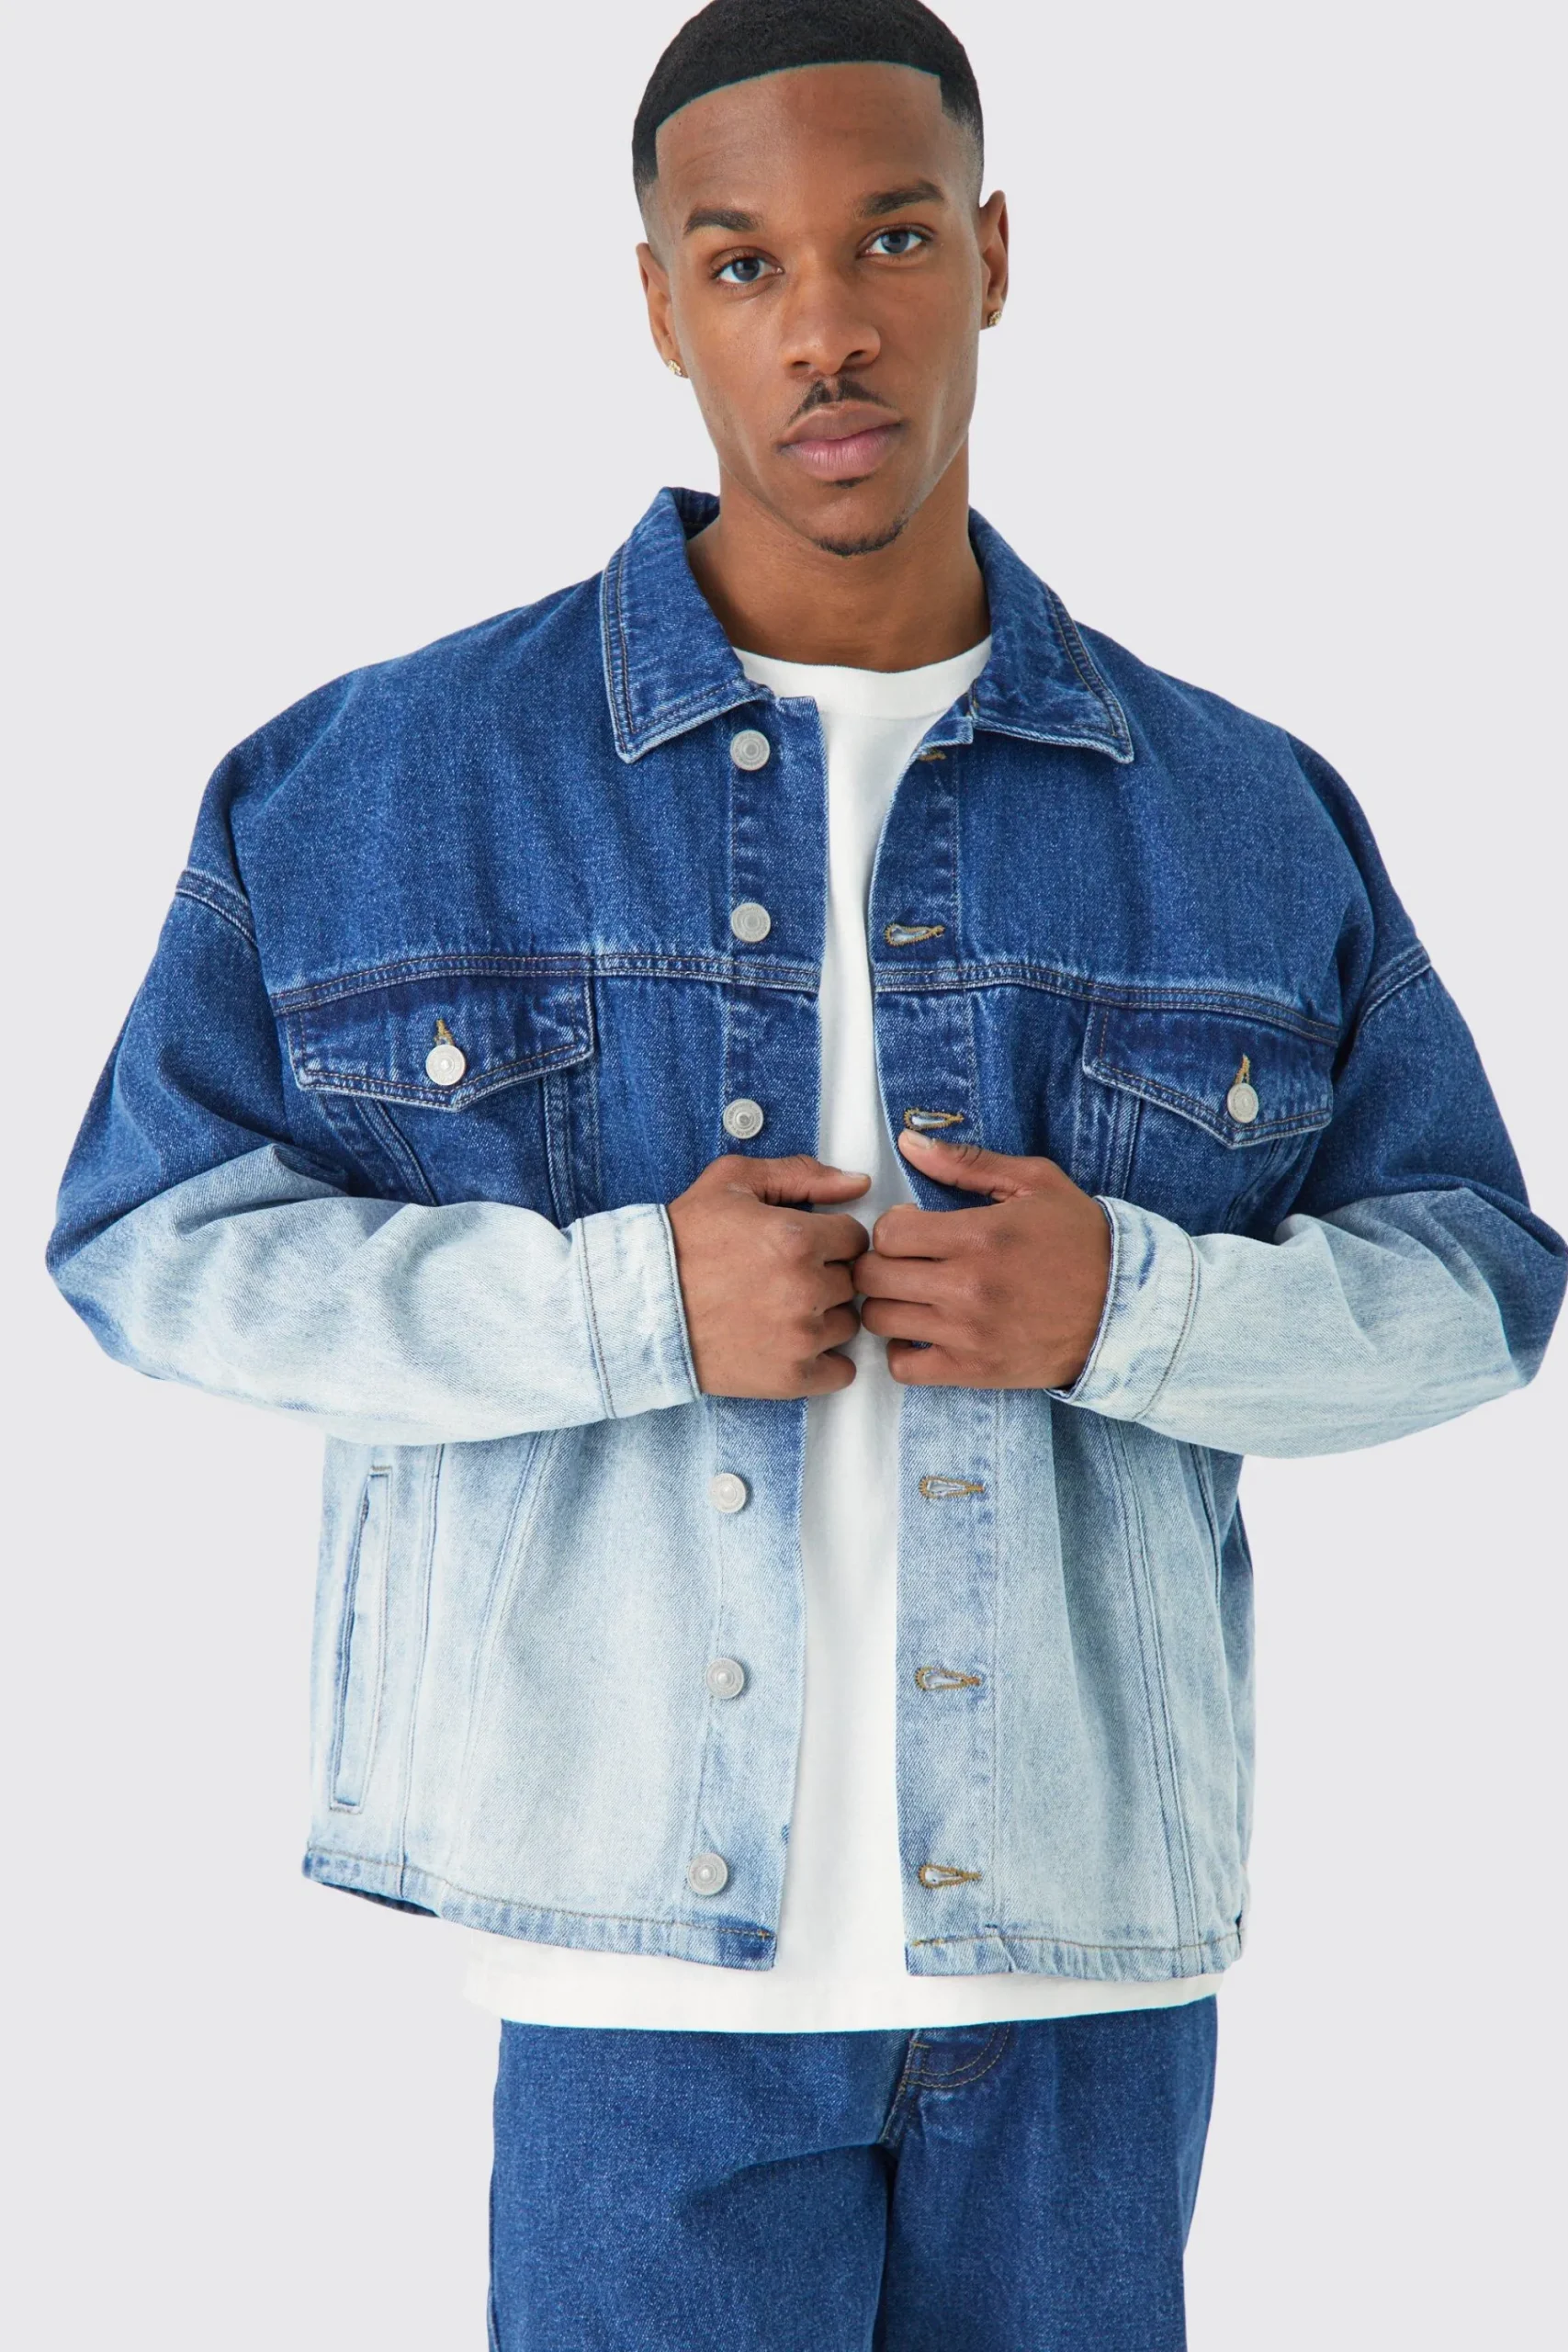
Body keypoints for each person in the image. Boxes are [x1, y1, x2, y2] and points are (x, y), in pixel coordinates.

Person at [47, 1, 1564, 2344]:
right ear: (659, 301)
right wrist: (623, 1303)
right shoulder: (376, 779)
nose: (826, 325)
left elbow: (1474, 1279)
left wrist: (1133, 1307)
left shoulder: (1242, 809)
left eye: (890, 240)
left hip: (1081, 1967)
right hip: (627, 1973)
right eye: (742, 261)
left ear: (992, 255)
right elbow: (152, 1249)